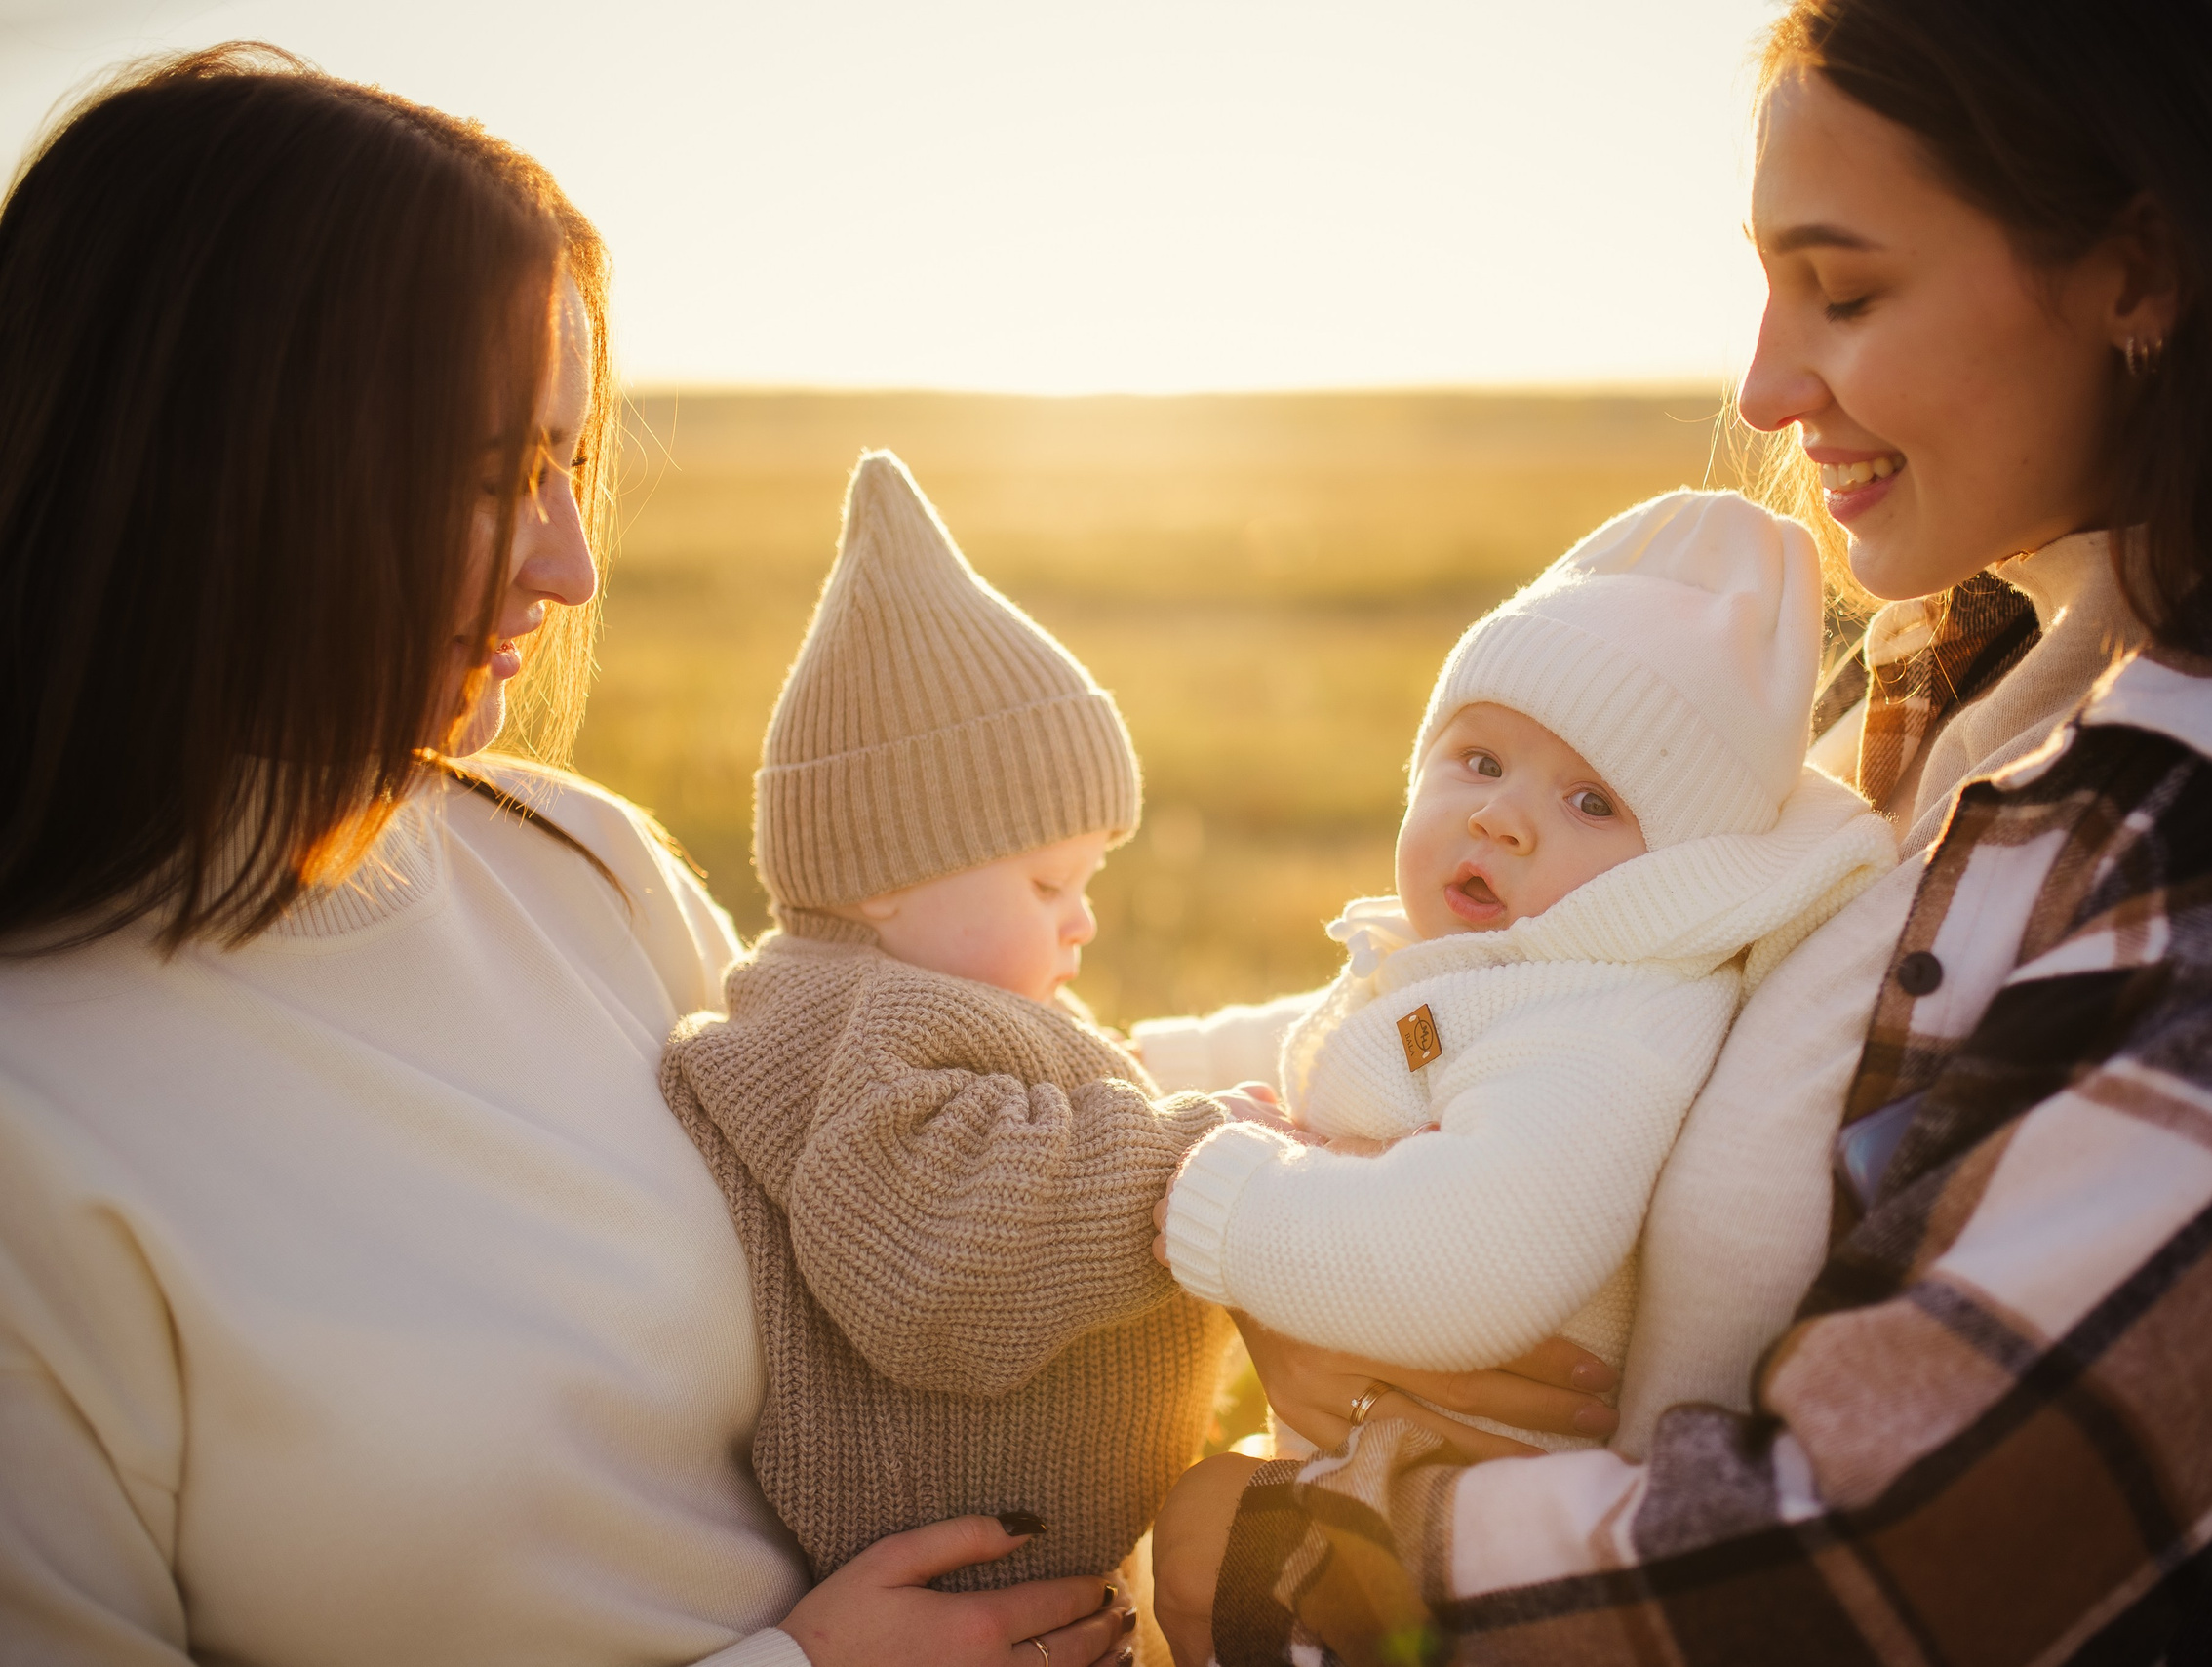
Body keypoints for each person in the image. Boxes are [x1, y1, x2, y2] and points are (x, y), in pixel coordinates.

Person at [1150, 0, 2212, 1659]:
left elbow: (1915, 1546)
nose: (1766, 382)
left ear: (2142, 271)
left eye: (1844, 290)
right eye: (1768, 282)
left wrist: (1326, 1556)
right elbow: (1579, 1077)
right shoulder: (1943, 681)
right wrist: (1362, 1309)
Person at [0, 49, 1140, 1667]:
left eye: (566, 462)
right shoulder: (31, 1115)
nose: (570, 560)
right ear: (210, 464)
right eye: (486, 479)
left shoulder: (578, 863)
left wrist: (1328, 1241)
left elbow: (937, 1189)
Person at [1152, 492, 1893, 1454]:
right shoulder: (1527, 971)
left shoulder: (1606, 1032)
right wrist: (1153, 1057)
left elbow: (1474, 1255)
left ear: (1674, 865)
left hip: (1444, 1517)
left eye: (1591, 800)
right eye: (1480, 757)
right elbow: (1377, 1028)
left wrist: (1228, 1199)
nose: (1501, 815)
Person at [659, 449, 1246, 1599]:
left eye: (1089, 880)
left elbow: (1050, 1096)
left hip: (1019, 1566)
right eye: (1043, 886)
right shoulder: (861, 1025)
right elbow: (933, 1250)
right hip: (962, 1571)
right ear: (883, 873)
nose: (1082, 920)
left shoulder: (906, 1000)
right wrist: (1190, 1159)